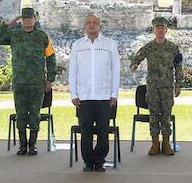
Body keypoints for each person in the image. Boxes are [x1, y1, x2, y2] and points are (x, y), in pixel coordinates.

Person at [0, 7, 56, 155]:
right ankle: (22, 146)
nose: (27, 20)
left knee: (35, 114)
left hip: (37, 82)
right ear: (21, 20)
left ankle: (32, 146)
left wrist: (50, 79)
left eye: (30, 18)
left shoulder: (42, 36)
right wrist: (9, 23)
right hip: (19, 82)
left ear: (35, 19)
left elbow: (51, 58)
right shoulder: (14, 34)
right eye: (24, 18)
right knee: (21, 114)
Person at [69, 14, 120, 172]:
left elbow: (116, 70)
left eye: (95, 23)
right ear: (84, 26)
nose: (92, 25)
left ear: (100, 26)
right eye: (88, 23)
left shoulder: (110, 44)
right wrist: (73, 94)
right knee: (86, 132)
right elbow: (73, 71)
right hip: (84, 97)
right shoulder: (77, 45)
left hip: (104, 96)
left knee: (103, 132)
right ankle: (88, 162)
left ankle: (99, 161)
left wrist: (114, 94)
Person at [130, 17, 182, 156]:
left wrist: (178, 85)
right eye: (157, 28)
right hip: (152, 88)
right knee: (153, 116)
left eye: (162, 28)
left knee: (166, 116)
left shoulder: (173, 48)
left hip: (167, 87)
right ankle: (155, 144)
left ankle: (166, 144)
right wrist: (134, 65)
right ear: (154, 30)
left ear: (166, 30)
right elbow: (137, 58)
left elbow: (178, 66)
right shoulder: (148, 47)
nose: (160, 30)